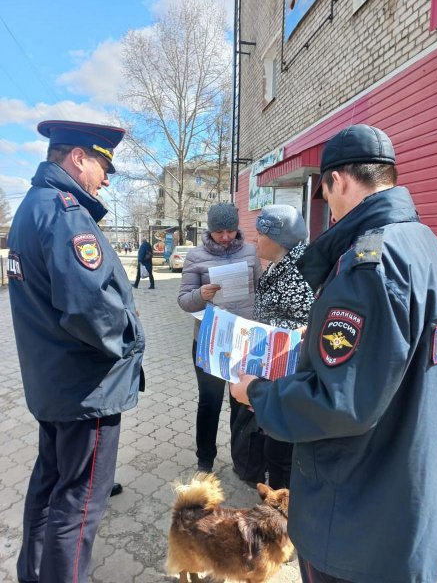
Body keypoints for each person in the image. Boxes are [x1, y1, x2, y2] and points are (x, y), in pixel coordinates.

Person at [231, 124, 437, 583]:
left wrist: (260, 394)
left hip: (356, 524)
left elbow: (340, 402)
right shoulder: (432, 249)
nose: (326, 206)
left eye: (323, 192)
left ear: (339, 180)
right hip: (412, 510)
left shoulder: (367, 264)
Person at [7, 120, 146, 583]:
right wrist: (131, 340)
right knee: (80, 505)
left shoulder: (34, 206)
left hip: (54, 384)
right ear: (78, 158)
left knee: (49, 489)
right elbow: (89, 307)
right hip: (87, 390)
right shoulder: (67, 214)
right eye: (103, 165)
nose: (106, 178)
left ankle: (34, 574)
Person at [178, 203, 262, 472]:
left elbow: (260, 291)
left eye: (229, 230)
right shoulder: (195, 256)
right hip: (210, 340)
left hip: (245, 339)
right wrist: (200, 295)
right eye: (218, 231)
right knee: (209, 402)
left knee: (242, 401)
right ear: (209, 230)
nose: (225, 237)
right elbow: (184, 301)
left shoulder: (251, 252)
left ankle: (243, 461)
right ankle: (205, 460)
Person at [252, 204, 314, 489]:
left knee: (281, 454)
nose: (255, 239)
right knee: (273, 448)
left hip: (290, 374)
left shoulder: (303, 271)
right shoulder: (281, 263)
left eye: (260, 233)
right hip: (275, 367)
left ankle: (282, 519)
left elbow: (310, 324)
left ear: (277, 238)